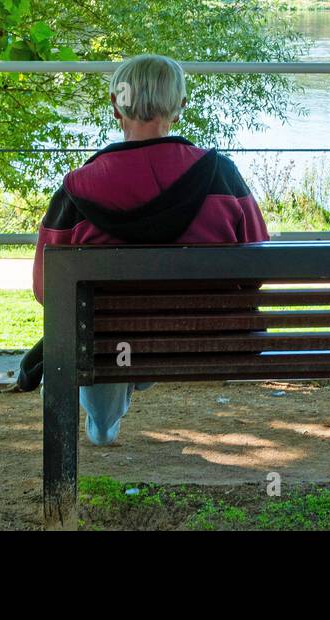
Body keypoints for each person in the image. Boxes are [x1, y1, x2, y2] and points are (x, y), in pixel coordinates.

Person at [16, 54, 268, 446]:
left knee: (100, 330)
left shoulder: (76, 189)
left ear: (116, 108)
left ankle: (106, 413)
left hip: (107, 337)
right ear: (180, 108)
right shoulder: (222, 175)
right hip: (205, 336)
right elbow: (259, 263)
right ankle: (128, 381)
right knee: (132, 330)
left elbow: (47, 291)